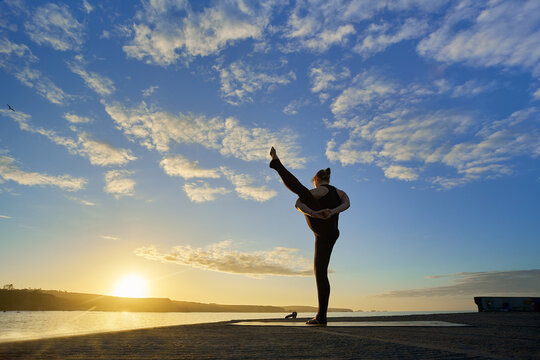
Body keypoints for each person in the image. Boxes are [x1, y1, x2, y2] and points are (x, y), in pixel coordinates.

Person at [269, 147, 350, 325]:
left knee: (303, 193)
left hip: (322, 226)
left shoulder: (321, 190)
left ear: (317, 180)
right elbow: (347, 203)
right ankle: (321, 316)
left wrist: (315, 213)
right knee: (321, 273)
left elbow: (298, 203)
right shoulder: (339, 192)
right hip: (329, 233)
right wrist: (333, 211)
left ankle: (277, 165)